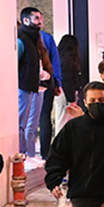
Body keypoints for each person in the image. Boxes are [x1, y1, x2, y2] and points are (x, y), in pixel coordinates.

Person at [17, 7, 52, 158]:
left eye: (41, 19)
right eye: (36, 19)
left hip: (35, 86)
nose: (40, 23)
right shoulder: (22, 39)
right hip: (24, 86)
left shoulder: (36, 38)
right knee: (21, 123)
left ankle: (29, 154)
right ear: (26, 20)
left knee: (32, 124)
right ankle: (23, 155)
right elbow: (15, 64)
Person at [38, 27, 62, 159]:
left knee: (32, 119)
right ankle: (44, 153)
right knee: (44, 117)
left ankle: (29, 152)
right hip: (46, 82)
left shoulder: (21, 38)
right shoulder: (46, 37)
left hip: (30, 84)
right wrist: (58, 82)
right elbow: (55, 62)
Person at [55, 35, 83, 133]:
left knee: (62, 119)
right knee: (64, 120)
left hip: (61, 92)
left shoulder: (60, 59)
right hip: (66, 94)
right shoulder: (68, 61)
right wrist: (71, 99)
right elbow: (67, 81)